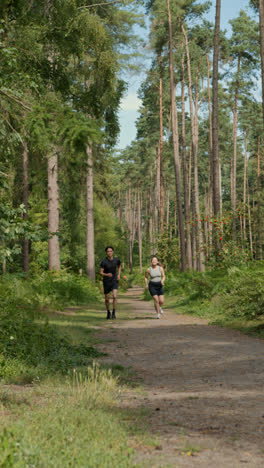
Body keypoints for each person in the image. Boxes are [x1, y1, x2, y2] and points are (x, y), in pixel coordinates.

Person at [100, 246, 121, 319]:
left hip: (114, 280)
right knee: (107, 298)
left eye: (111, 251)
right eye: (108, 251)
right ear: (106, 253)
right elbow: (101, 272)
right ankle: (108, 312)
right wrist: (107, 274)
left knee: (115, 296)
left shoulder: (116, 260)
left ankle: (114, 312)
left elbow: (119, 266)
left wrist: (118, 274)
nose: (109, 252)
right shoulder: (104, 261)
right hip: (106, 281)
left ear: (113, 252)